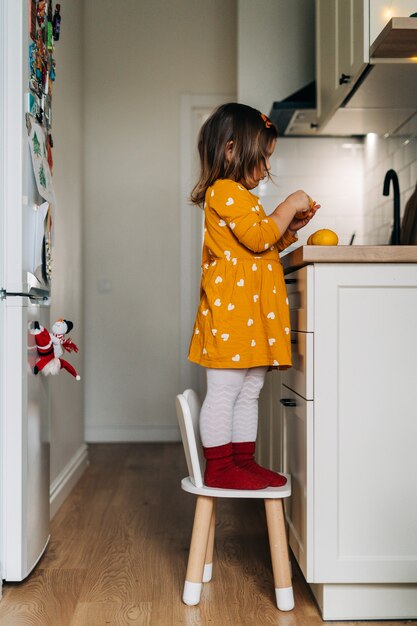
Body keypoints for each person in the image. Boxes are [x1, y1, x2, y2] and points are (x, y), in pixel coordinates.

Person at [188, 103, 319, 490]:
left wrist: (287, 226)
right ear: (231, 150)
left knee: (250, 391)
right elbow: (258, 237)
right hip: (232, 318)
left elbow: (258, 248)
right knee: (226, 391)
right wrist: (286, 205)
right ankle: (220, 466)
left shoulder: (243, 198)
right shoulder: (224, 192)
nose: (265, 168)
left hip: (252, 316)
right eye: (261, 158)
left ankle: (242, 461)